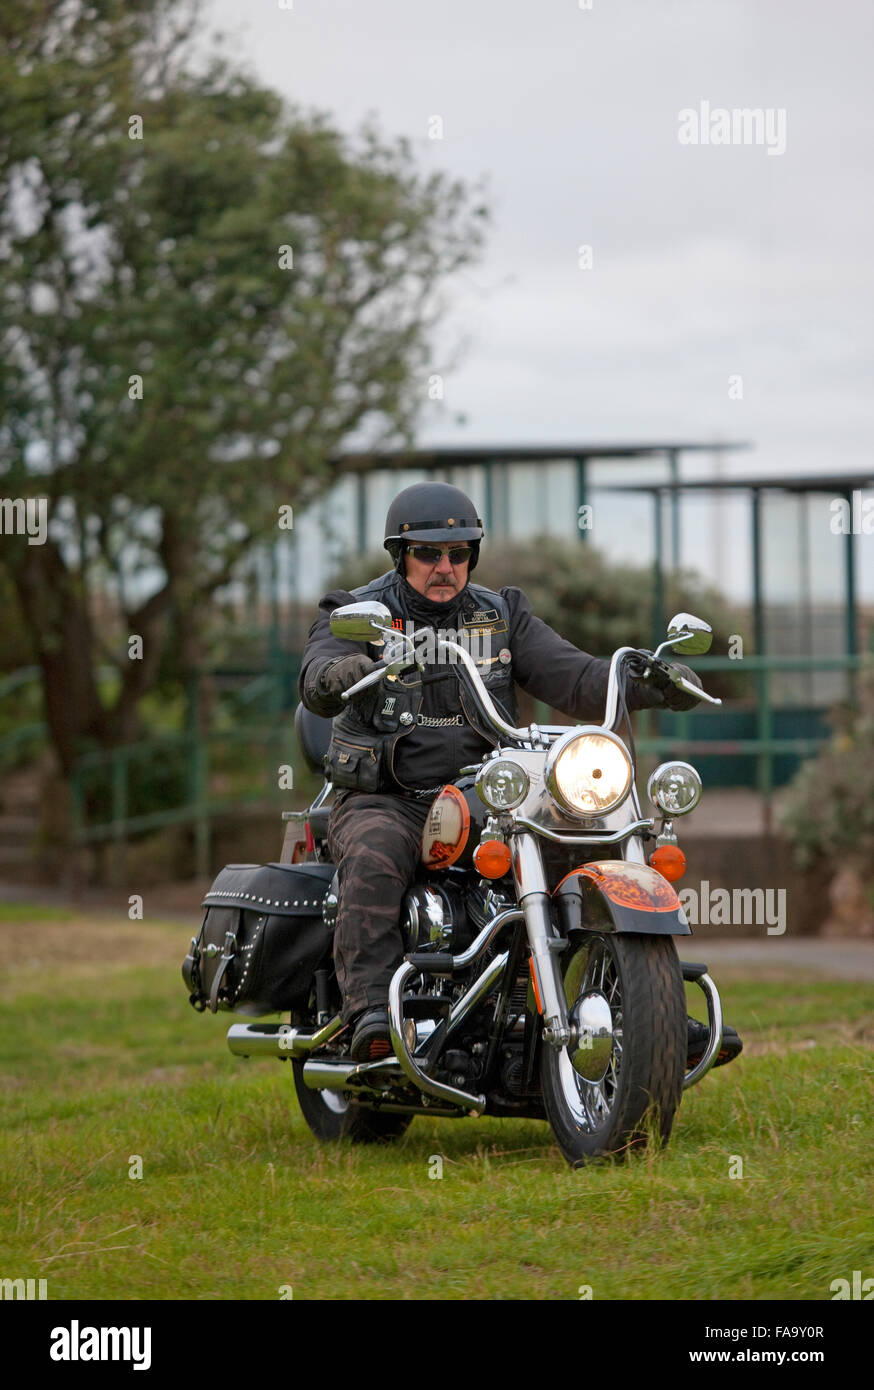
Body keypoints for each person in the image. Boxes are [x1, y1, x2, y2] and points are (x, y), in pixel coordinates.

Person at [299, 482, 741, 1068]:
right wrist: (345, 669)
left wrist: (644, 681)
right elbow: (317, 674)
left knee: (592, 838)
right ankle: (372, 1013)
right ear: (399, 555)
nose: (445, 566)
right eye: (429, 553)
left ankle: (646, 1001)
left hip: (493, 791)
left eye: (458, 553)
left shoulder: (501, 614)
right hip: (392, 793)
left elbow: (575, 676)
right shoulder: (362, 614)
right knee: (376, 854)